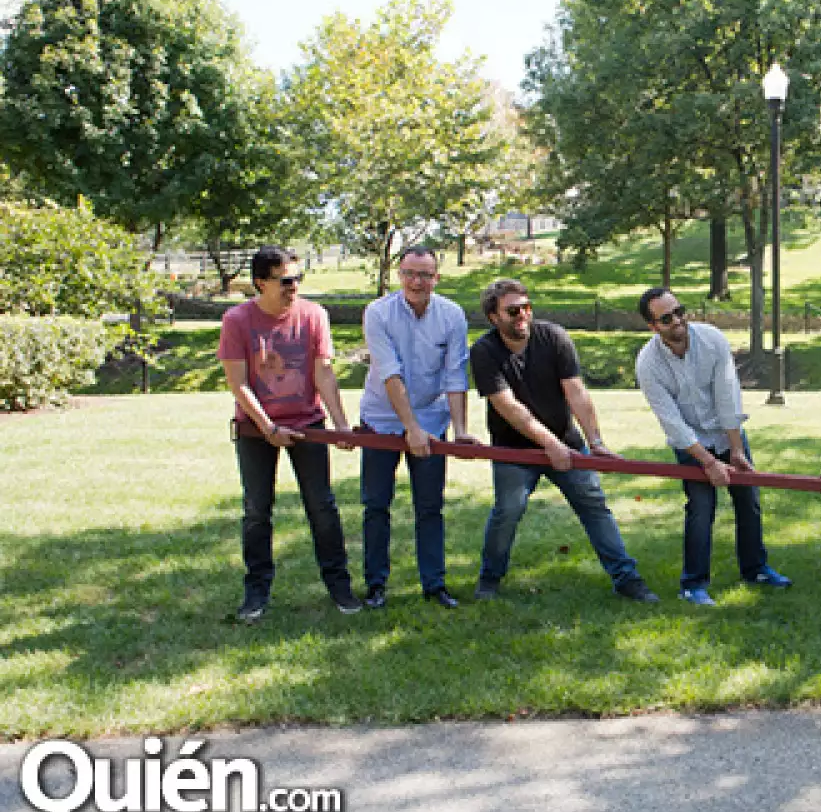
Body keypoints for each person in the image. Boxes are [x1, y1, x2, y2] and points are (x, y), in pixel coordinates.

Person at [470, 278, 660, 603]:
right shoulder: (484, 352)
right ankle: (489, 578)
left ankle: (627, 579)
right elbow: (510, 409)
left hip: (565, 439)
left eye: (526, 308)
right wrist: (550, 445)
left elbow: (576, 391)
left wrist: (594, 441)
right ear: (493, 317)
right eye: (513, 311)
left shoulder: (553, 337)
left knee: (594, 505)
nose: (522, 316)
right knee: (508, 510)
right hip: (513, 448)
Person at [217, 245, 360, 622]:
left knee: (323, 507)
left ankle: (339, 586)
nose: (293, 287)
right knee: (257, 510)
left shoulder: (314, 316)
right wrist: (267, 427)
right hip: (254, 427)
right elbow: (238, 383)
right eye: (285, 281)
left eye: (298, 279)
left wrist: (341, 425)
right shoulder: (237, 320)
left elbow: (323, 374)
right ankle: (256, 592)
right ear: (260, 283)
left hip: (308, 425)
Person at [634, 287, 791, 607]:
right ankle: (692, 585)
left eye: (680, 312)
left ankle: (756, 569)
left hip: (726, 432)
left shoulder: (712, 340)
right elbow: (672, 423)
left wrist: (735, 451)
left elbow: (727, 397)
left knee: (749, 501)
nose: (678, 321)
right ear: (653, 327)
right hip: (690, 442)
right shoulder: (648, 364)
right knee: (701, 508)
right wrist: (708, 462)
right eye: (667, 318)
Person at [357, 245, 476, 610]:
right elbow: (389, 372)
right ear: (399, 274)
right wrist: (410, 428)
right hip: (381, 419)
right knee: (376, 505)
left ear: (436, 278)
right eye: (410, 273)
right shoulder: (378, 313)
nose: (417, 281)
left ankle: (434, 585)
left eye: (425, 274)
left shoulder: (451, 314)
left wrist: (459, 430)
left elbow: (456, 374)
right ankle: (376, 585)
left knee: (430, 507)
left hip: (431, 416)